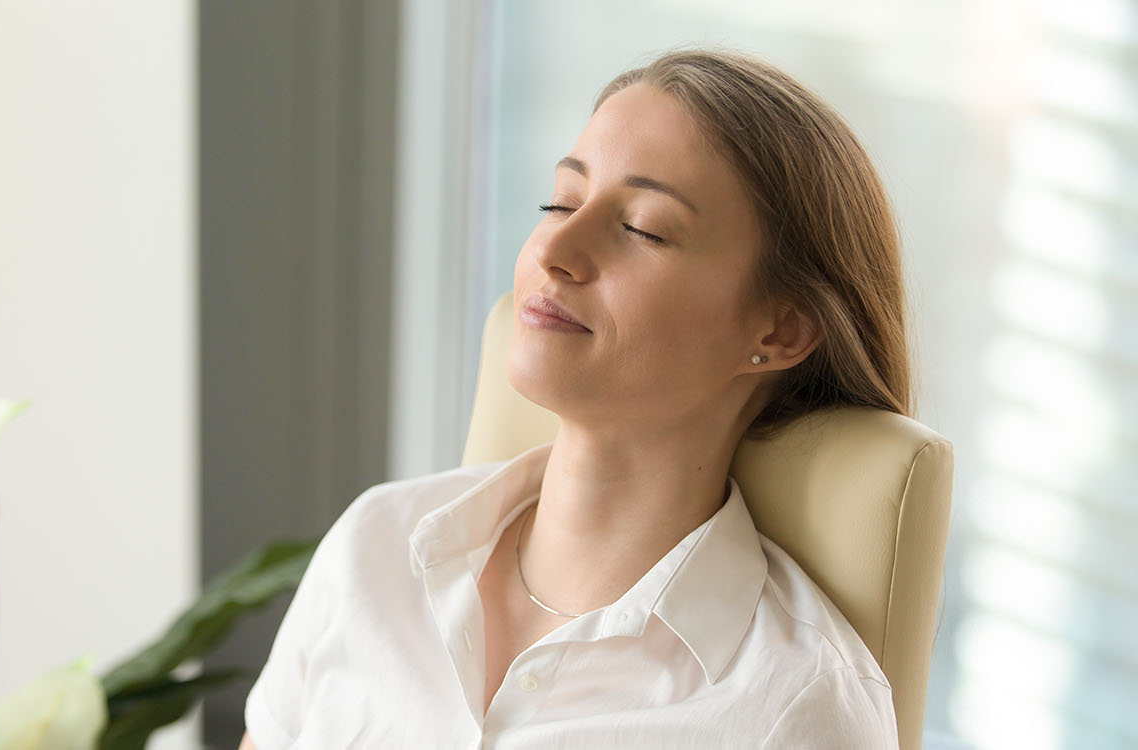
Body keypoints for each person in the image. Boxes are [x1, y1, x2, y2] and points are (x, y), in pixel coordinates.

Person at [240, 47, 908, 749]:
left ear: (782, 328)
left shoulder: (797, 707)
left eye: (643, 228)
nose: (556, 244)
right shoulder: (377, 549)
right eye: (560, 201)